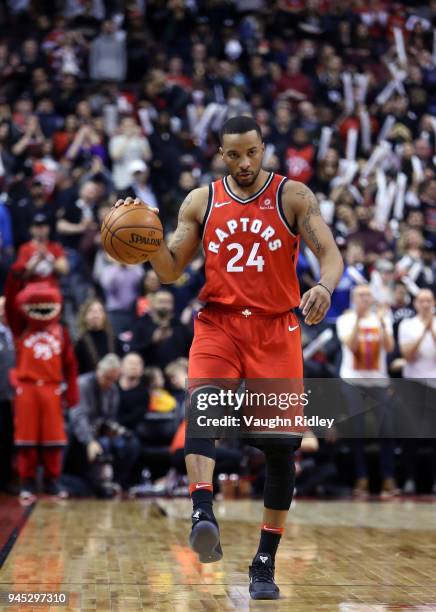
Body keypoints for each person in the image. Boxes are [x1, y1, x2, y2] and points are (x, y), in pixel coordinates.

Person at [115, 116, 343, 600]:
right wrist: (144, 234)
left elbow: (331, 254)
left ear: (264, 149)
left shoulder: (293, 196)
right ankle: (202, 510)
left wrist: (324, 285)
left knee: (282, 448)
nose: (244, 163)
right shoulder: (202, 200)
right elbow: (172, 270)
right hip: (219, 322)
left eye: (252, 153)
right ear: (221, 153)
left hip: (276, 328)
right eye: (234, 154)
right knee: (203, 410)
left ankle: (264, 562)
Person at [336, 285, 397, 499]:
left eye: (367, 295)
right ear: (354, 299)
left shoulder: (381, 318)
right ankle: (361, 479)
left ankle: (388, 478)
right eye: (360, 295)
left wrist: (381, 321)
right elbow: (350, 344)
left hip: (378, 382)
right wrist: (358, 319)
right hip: (353, 382)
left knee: (387, 429)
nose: (365, 298)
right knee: (358, 431)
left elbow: (389, 348)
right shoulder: (346, 319)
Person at [398, 288, 436, 494]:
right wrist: (424, 330)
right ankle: (410, 479)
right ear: (415, 304)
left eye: (429, 300)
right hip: (413, 384)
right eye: (422, 301)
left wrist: (431, 328)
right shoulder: (407, 325)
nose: (425, 304)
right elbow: (408, 355)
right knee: (410, 435)